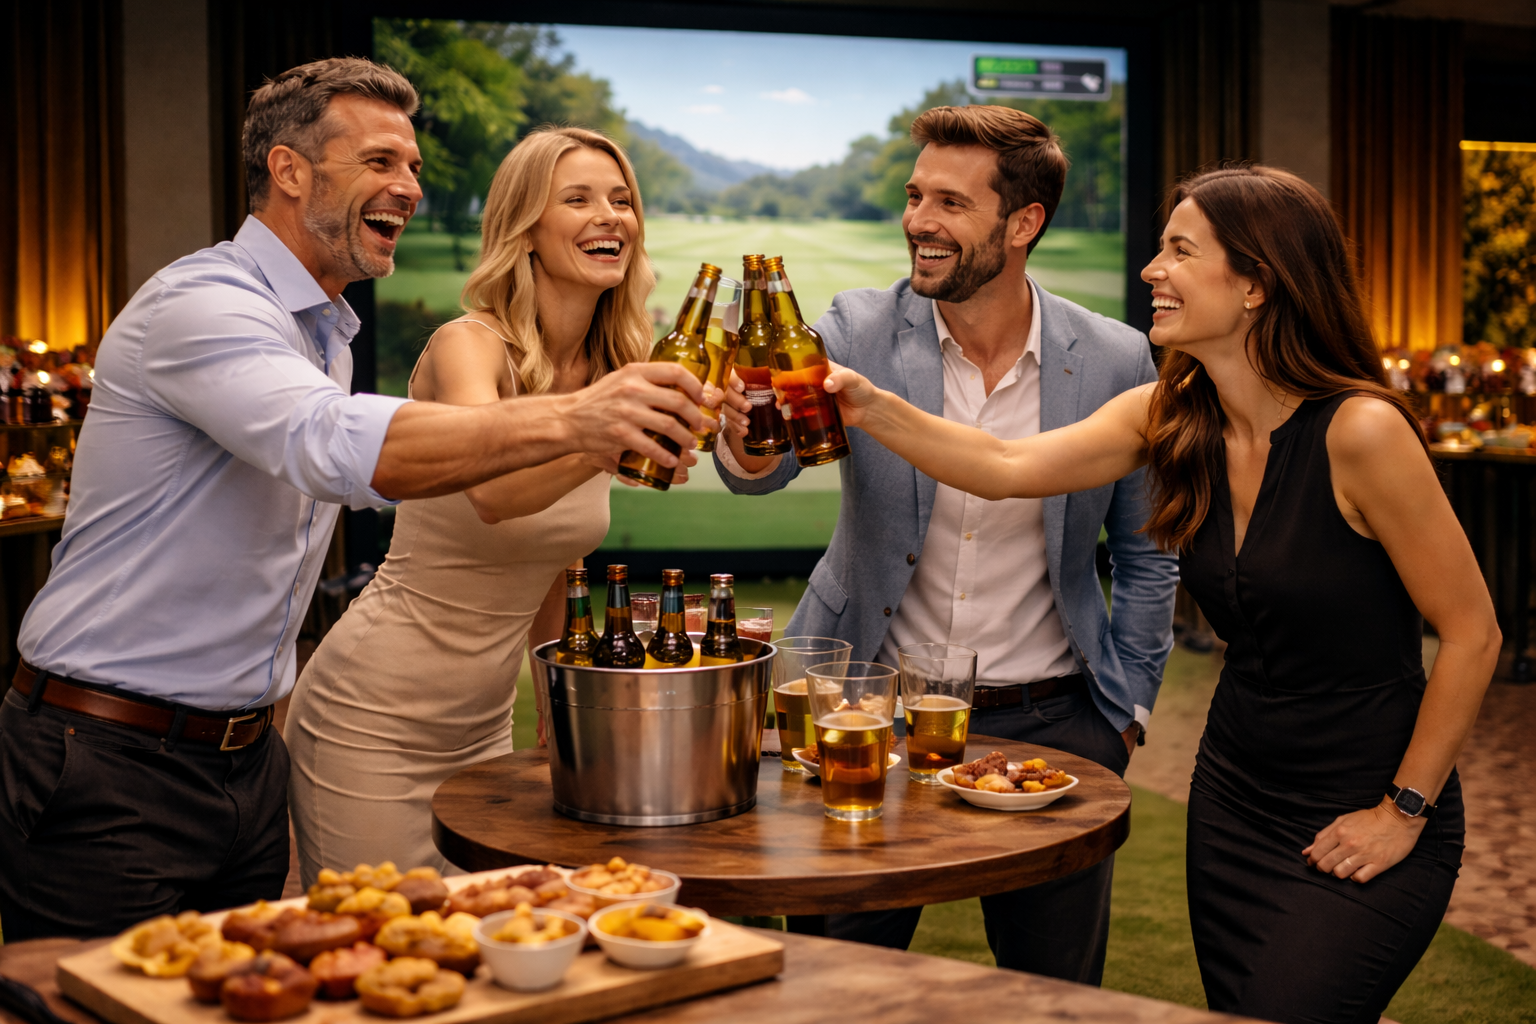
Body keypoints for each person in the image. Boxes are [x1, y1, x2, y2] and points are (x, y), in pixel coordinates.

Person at [0, 59, 710, 941]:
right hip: (107, 754)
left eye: (411, 166)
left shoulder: (324, 332)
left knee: (284, 990)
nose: (408, 187)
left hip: (246, 756)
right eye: (380, 162)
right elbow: (327, 444)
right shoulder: (205, 304)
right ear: (292, 171)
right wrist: (587, 421)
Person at [822, 165, 1497, 1024]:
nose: (1151, 269)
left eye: (1180, 250)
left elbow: (1473, 634)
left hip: (1368, 795)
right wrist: (871, 404)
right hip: (1236, 797)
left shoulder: (1361, 432)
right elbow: (1002, 467)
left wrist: (1403, 811)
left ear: (1256, 283)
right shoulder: (1172, 413)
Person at [714, 104, 1178, 984]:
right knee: (830, 983)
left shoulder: (1116, 357)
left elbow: (1149, 551)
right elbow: (757, 472)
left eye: (951, 204)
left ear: (1024, 222)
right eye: (915, 195)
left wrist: (1128, 713)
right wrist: (748, 432)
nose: (919, 222)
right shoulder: (852, 327)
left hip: (1058, 723)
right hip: (864, 715)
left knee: (1054, 994)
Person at [285, 126, 666, 884]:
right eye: (579, 199)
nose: (609, 217)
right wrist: (606, 434)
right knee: (386, 957)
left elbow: (557, 570)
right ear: (525, 228)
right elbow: (494, 493)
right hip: (373, 717)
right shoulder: (470, 346)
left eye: (622, 201)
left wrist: (560, 735)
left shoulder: (612, 368)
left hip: (483, 725)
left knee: (486, 959)